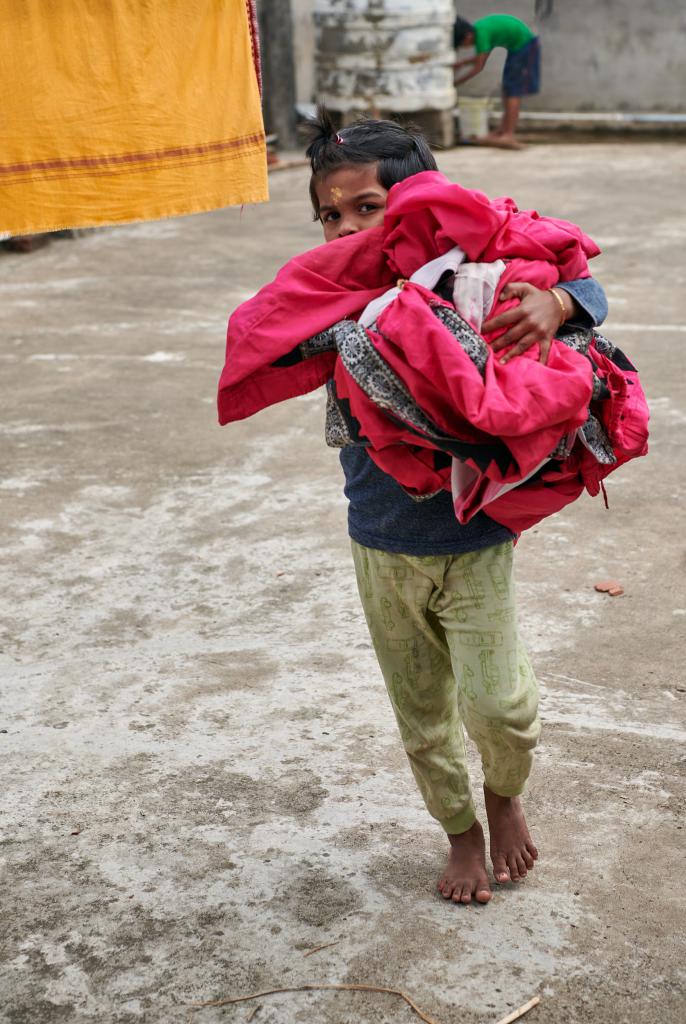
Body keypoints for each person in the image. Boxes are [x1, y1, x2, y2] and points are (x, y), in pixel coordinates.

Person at [299, 110, 608, 905]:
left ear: (418, 204)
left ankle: (505, 794)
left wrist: (560, 306)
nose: (345, 227)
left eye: (368, 207)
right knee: (423, 713)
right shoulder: (333, 298)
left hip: (472, 542)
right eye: (330, 213)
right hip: (378, 543)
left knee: (499, 707)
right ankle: (460, 833)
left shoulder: (469, 277)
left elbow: (583, 281)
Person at [453, 13, 541, 149]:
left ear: (467, 36)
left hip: (524, 46)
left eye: (461, 44)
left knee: (513, 91)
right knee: (508, 89)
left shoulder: (481, 34)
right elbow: (481, 57)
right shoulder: (479, 29)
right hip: (518, 47)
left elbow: (478, 67)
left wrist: (455, 83)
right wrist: (462, 63)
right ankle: (502, 132)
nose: (464, 47)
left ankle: (508, 135)